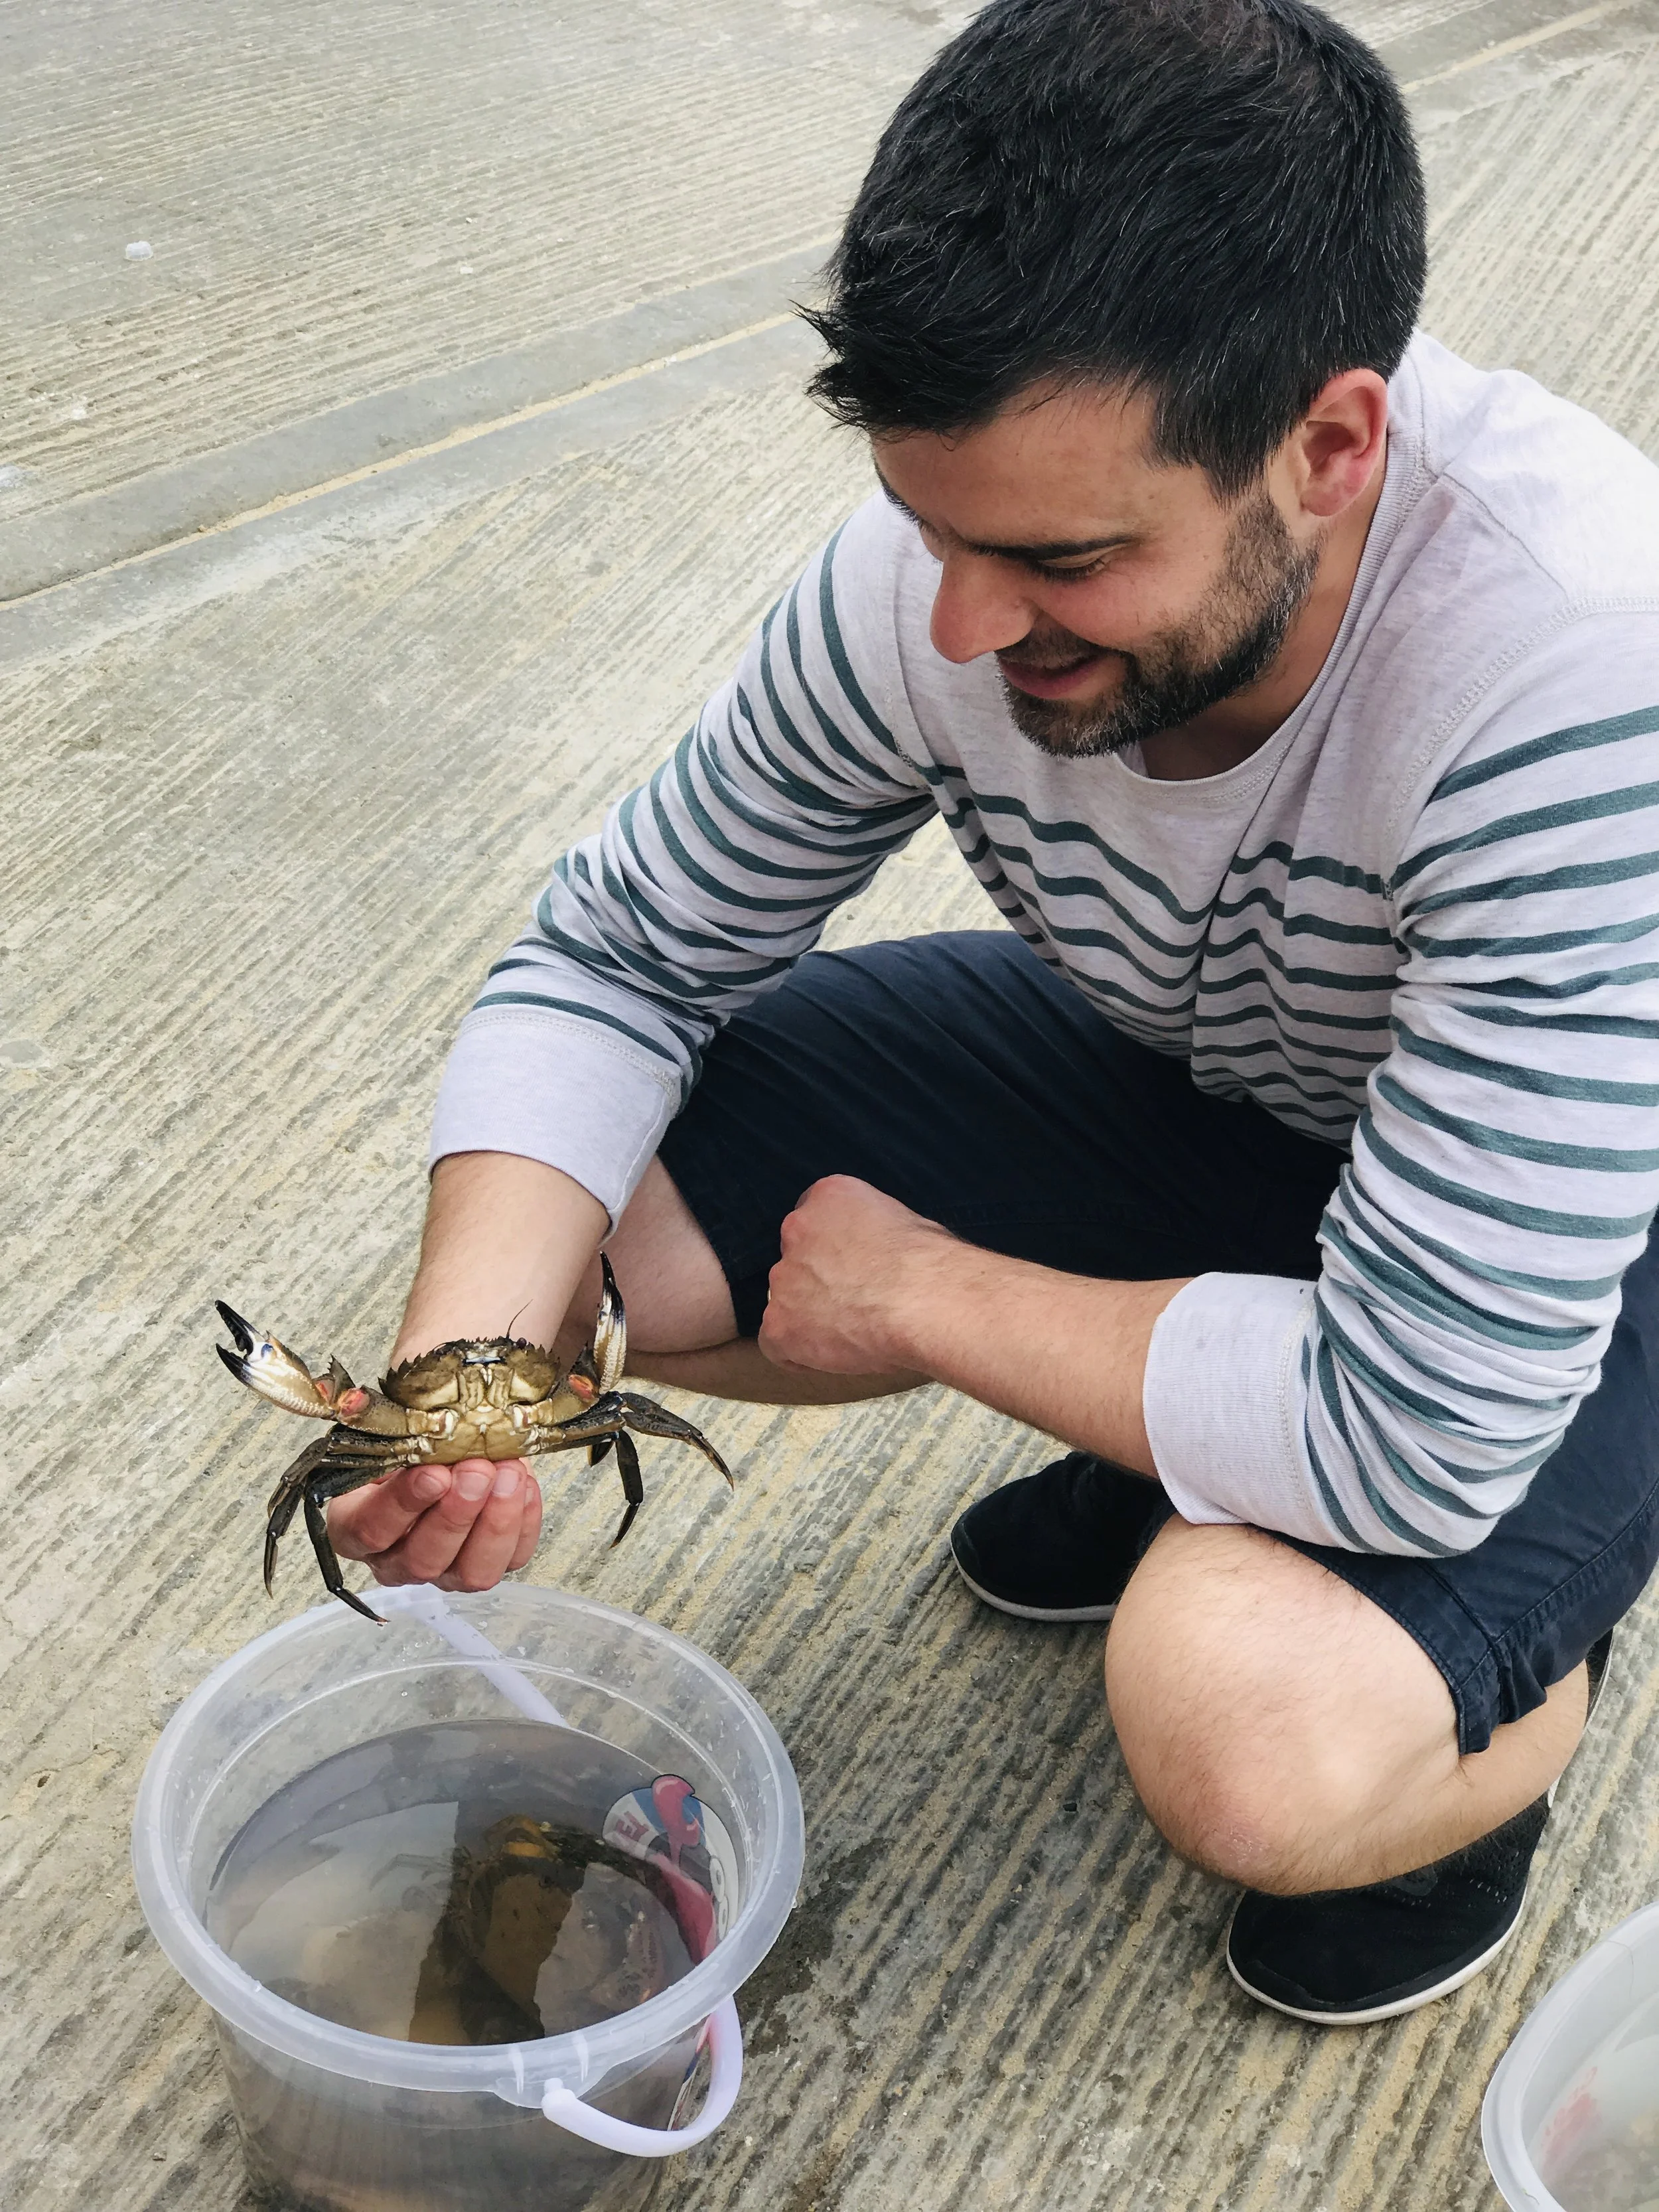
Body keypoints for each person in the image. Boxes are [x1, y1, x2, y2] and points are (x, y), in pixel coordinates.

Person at [328, 0, 1659, 2024]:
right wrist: (467, 1371)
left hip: (1579, 1251)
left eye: (1056, 556)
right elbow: (617, 958)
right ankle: (1176, 1431)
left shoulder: (1569, 681)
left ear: (1328, 444)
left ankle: (1478, 1737)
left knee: (1246, 1716)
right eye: (928, 524)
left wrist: (935, 1296)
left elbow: (1411, 1427)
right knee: (614, 1244)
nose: (957, 628)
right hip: (1238, 1080)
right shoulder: (938, 580)